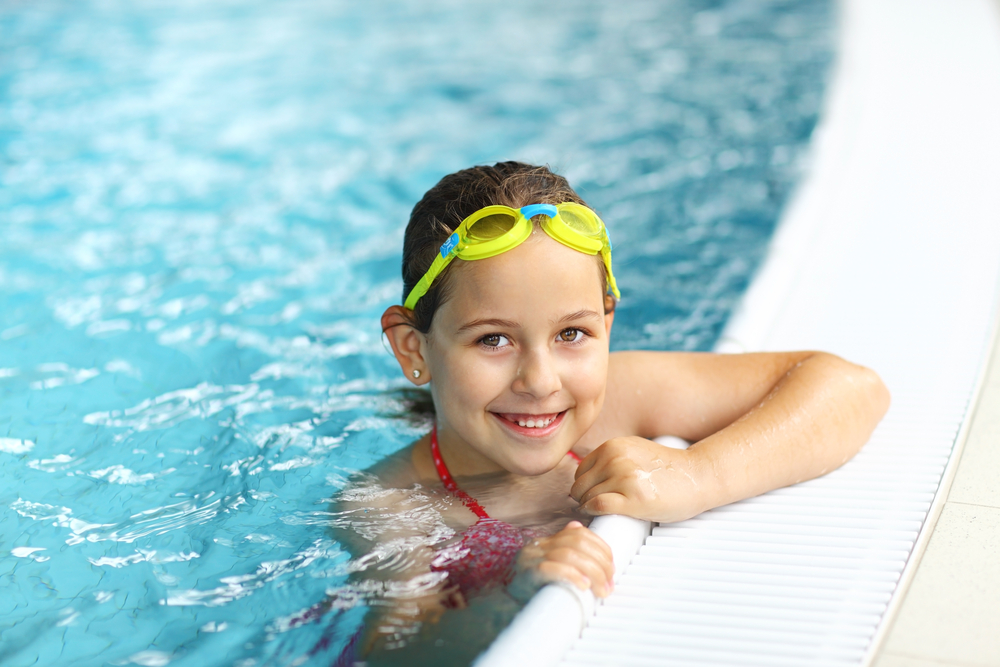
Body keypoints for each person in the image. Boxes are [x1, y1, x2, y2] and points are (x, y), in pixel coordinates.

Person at [332, 161, 889, 663]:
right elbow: (394, 652)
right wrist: (510, 595)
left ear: (607, 324)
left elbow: (851, 387)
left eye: (572, 333)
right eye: (493, 341)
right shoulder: (389, 505)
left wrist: (699, 474)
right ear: (413, 347)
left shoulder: (617, 400)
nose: (541, 382)